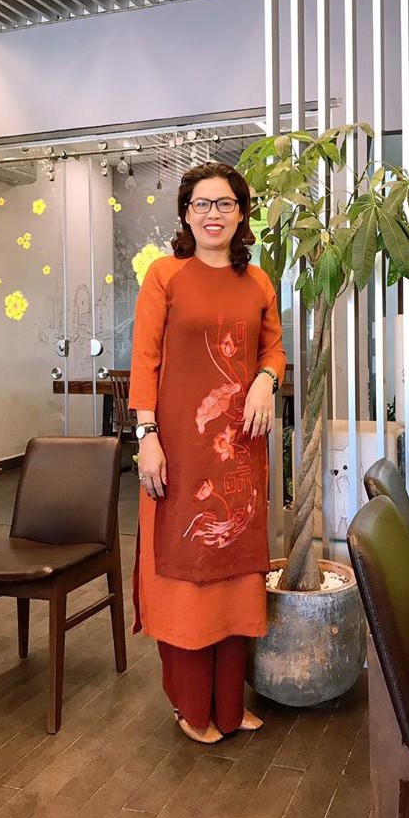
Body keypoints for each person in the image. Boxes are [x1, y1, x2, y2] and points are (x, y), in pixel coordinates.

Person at [128, 161, 287, 745]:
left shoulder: (259, 282)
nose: (213, 214)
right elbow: (144, 360)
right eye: (202, 204)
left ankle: (229, 706)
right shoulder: (165, 276)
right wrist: (146, 435)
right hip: (179, 451)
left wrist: (266, 379)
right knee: (186, 576)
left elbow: (273, 349)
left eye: (224, 204)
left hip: (239, 452)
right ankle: (193, 707)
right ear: (186, 214)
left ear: (242, 214)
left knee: (236, 575)